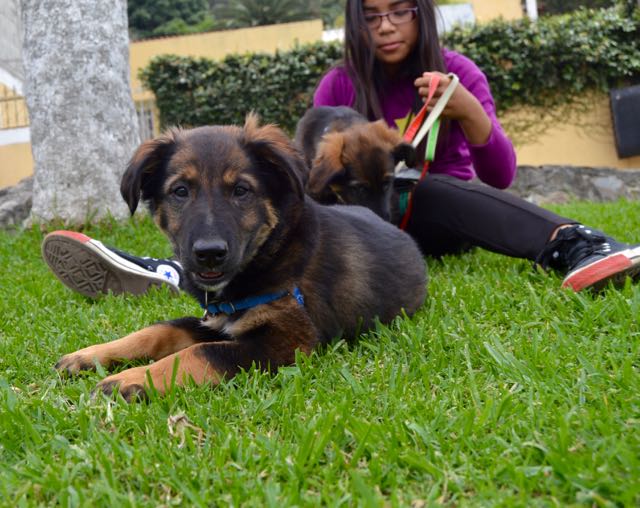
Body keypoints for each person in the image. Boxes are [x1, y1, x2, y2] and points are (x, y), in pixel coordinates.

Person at [41, 0, 640, 299]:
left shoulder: (458, 73)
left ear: (423, 16)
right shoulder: (339, 86)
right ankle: (178, 267)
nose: (386, 26)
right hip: (357, 223)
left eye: (399, 11)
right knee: (278, 221)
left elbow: (500, 174)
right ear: (356, 24)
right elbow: (304, 183)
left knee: (422, 187)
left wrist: (471, 113)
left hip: (440, 214)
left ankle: (573, 243)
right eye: (371, 16)